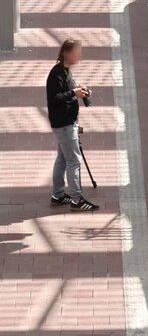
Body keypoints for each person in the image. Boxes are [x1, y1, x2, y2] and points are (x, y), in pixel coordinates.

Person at [46, 38, 99, 211]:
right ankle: (77, 199)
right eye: (76, 53)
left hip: (66, 123)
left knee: (62, 159)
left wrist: (78, 91)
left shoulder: (65, 71)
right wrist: (73, 93)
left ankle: (58, 195)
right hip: (64, 124)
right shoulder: (56, 74)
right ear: (66, 53)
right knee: (74, 161)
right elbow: (54, 99)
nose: (78, 57)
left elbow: (66, 93)